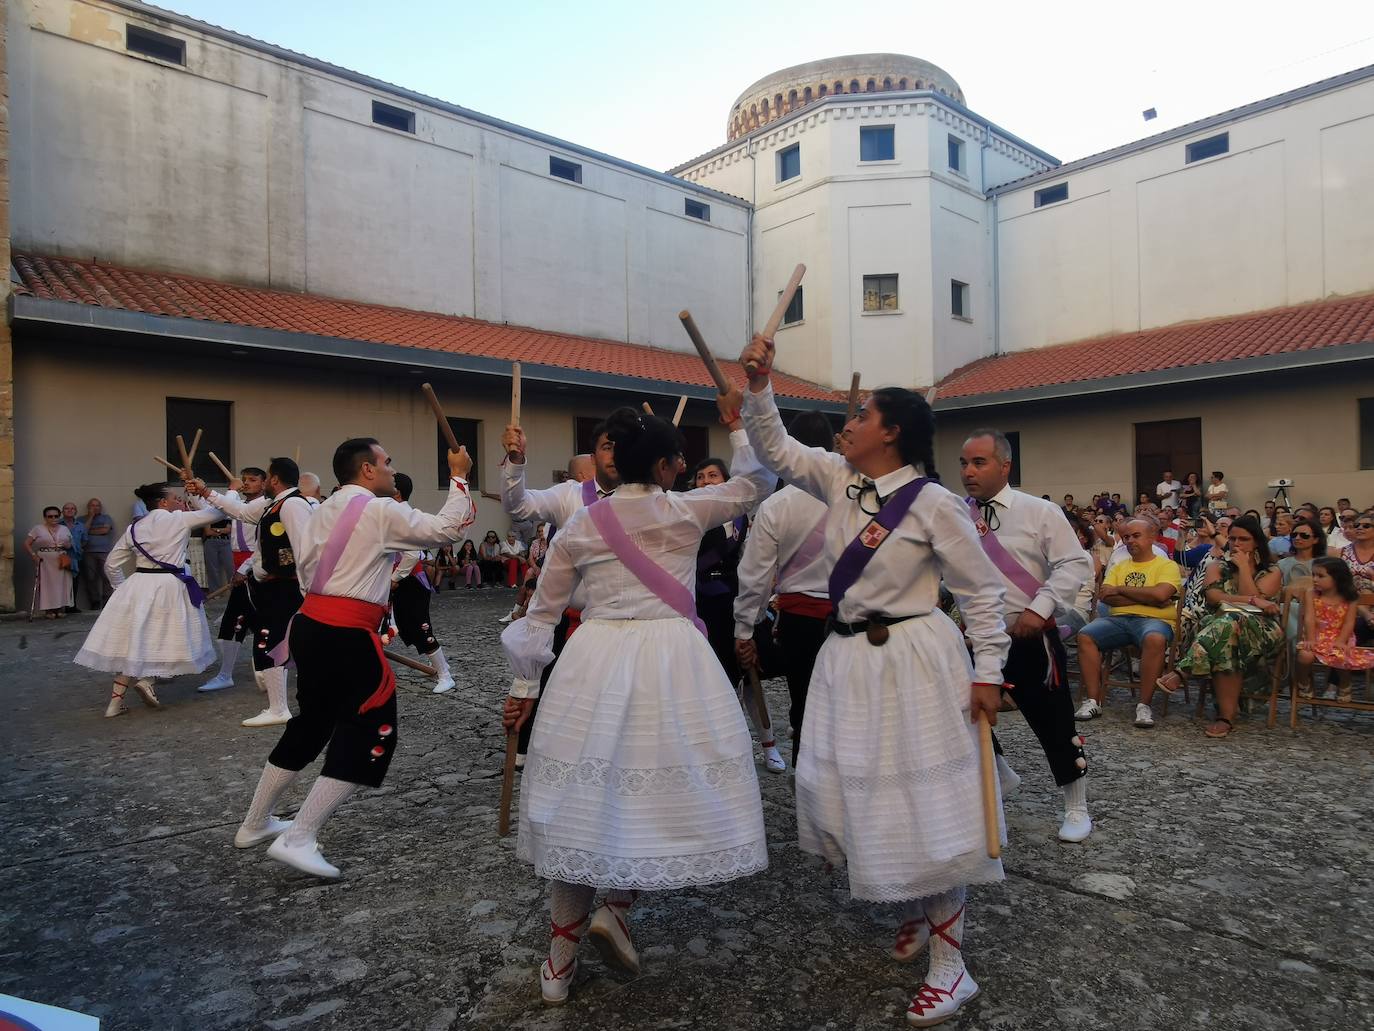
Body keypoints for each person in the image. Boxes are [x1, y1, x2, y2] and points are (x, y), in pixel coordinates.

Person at [738, 332, 1008, 1027]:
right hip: (848, 658)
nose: (847, 424)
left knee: (931, 801)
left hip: (916, 656)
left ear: (891, 432)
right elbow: (774, 447)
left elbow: (981, 594)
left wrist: (990, 674)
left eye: (861, 416)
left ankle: (953, 966)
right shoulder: (835, 478)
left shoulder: (933, 503)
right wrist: (760, 383)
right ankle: (920, 906)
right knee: (872, 795)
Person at [500, 397, 772, 1007]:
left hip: (592, 661)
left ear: (616, 462)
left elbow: (539, 615)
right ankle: (617, 910)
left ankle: (559, 960)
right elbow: (757, 481)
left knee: (580, 803)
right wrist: (736, 422)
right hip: (672, 663)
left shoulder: (579, 524)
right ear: (671, 465)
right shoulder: (685, 511)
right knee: (645, 794)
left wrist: (522, 689)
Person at [230, 437, 475, 878]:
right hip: (345, 631)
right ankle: (300, 835)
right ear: (367, 470)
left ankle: (254, 823)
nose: (390, 469)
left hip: (311, 625)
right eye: (386, 462)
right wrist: (458, 475)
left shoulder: (317, 508)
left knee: (312, 724)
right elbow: (446, 532)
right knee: (372, 728)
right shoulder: (380, 510)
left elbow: (308, 571)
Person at [960, 429, 1094, 841]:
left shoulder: (1039, 511)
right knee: (961, 714)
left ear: (1005, 466)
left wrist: (1040, 609)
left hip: (1030, 632)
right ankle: (998, 775)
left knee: (1052, 718)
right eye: (963, 463)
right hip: (976, 636)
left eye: (979, 462)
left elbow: (1075, 564)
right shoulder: (952, 513)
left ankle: (1076, 806)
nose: (968, 471)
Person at [499, 426, 623, 768]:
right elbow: (518, 505)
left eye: (620, 447)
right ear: (594, 455)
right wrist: (516, 460)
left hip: (621, 626)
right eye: (607, 447)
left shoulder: (644, 499)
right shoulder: (570, 495)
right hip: (566, 619)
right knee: (547, 690)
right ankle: (530, 753)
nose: (614, 455)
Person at [734, 410, 836, 768]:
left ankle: (810, 794)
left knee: (806, 703)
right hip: (851, 617)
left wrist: (745, 627)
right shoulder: (855, 493)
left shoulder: (777, 505)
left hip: (800, 623)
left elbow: (755, 576)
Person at [74, 482, 225, 716]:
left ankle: (115, 703)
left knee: (133, 643)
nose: (179, 502)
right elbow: (218, 511)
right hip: (169, 585)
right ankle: (147, 681)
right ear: (163, 502)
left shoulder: (135, 528)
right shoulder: (178, 519)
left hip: (138, 584)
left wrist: (122, 589)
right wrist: (200, 495)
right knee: (161, 638)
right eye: (175, 498)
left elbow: (112, 564)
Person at [195, 459, 312, 727]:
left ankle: (280, 707)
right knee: (273, 640)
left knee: (276, 640)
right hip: (272, 585)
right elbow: (240, 511)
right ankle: (278, 705)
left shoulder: (293, 505)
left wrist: (307, 591)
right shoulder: (271, 504)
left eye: (268, 476)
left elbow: (306, 550)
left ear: (274, 479)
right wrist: (205, 492)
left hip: (287, 585)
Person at [694, 455, 783, 773]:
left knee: (750, 675)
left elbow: (756, 567)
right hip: (700, 606)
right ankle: (718, 747)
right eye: (700, 477)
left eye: (713, 475)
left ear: (727, 482)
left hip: (737, 603)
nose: (705, 481)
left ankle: (769, 744)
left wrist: (755, 610)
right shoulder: (688, 519)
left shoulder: (744, 520)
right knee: (709, 681)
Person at [1160, 515, 1283, 738]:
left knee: (1230, 623)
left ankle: (1183, 670)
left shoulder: (1273, 570)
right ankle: (1225, 718)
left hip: (1261, 629)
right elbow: (1215, 597)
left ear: (1256, 542)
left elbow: (1254, 605)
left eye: (1243, 539)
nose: (1236, 544)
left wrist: (1245, 569)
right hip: (1220, 626)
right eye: (1233, 538)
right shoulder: (1217, 566)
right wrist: (1254, 600)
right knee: (1228, 634)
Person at [1074, 519, 1181, 728]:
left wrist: (1121, 590)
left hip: (1155, 621)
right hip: (1119, 619)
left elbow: (1161, 594)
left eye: (1136, 536)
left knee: (1155, 639)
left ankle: (1144, 705)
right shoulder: (1119, 565)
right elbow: (1105, 596)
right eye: (1126, 537)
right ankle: (1094, 701)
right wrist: (1149, 598)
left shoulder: (1167, 566)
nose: (1130, 540)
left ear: (1152, 538)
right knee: (1086, 635)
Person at [198, 467, 267, 694]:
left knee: (262, 622)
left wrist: (246, 568)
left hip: (257, 569)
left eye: (253, 480)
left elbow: (263, 546)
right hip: (238, 564)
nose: (246, 483)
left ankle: (268, 668)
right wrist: (194, 489)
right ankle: (226, 674)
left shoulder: (267, 506)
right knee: (233, 621)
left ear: (265, 483)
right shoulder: (238, 504)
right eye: (244, 480)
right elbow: (209, 510)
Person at [389, 473, 456, 694]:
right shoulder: (394, 513)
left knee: (420, 627)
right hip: (402, 580)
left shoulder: (401, 515)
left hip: (410, 582)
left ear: (397, 492)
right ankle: (439, 665)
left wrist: (394, 579)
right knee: (407, 626)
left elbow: (412, 554)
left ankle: (445, 675)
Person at [1294, 557, 1372, 700]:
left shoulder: (1350, 597)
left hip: (1341, 635)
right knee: (1305, 655)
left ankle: (1344, 683)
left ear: (1337, 578)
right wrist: (1310, 639)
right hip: (1317, 635)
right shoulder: (1311, 594)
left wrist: (1341, 641)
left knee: (1340, 654)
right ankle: (1304, 682)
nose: (1315, 579)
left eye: (1321, 576)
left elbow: (1349, 623)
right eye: (1314, 575)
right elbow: (1309, 618)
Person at [24, 507, 74, 618]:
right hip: (45, 559)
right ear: (45, 517)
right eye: (50, 516)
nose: (53, 518)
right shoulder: (38, 528)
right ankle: (49, 610)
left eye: (56, 516)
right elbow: (27, 543)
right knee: (47, 584)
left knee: (61, 583)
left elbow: (70, 545)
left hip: (61, 557)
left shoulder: (64, 529)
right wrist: (33, 555)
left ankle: (60, 608)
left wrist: (67, 544)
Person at [80, 498, 116, 610]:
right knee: (90, 578)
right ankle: (95, 602)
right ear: (88, 507)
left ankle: (107, 603)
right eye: (92, 505)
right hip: (87, 552)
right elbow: (82, 531)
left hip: (104, 552)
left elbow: (104, 530)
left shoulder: (106, 518)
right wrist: (91, 517)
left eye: (97, 505)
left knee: (106, 577)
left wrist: (89, 531)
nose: (95, 508)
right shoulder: (81, 519)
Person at [59, 502, 88, 613]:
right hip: (62, 556)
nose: (70, 510)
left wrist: (78, 548)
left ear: (75, 511)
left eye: (72, 508)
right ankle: (60, 606)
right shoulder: (58, 524)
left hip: (76, 557)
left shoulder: (80, 525)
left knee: (74, 582)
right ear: (62, 511)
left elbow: (85, 540)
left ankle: (72, 606)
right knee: (61, 582)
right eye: (67, 508)